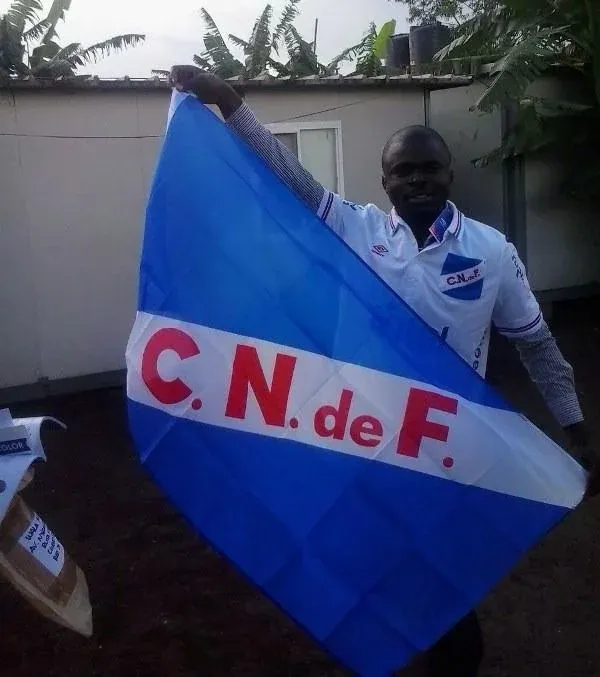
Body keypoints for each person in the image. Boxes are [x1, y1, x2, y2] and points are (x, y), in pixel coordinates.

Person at [169, 65, 599, 677]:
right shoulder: (354, 229)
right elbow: (288, 175)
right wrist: (228, 101)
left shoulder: (491, 251)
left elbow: (537, 346)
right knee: (372, 560)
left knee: (447, 582)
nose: (417, 179)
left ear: (449, 174)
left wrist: (577, 431)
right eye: (403, 170)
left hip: (450, 444)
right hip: (365, 438)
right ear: (385, 181)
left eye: (429, 168)